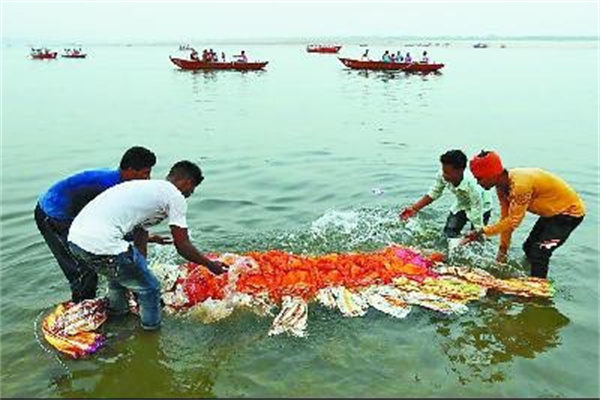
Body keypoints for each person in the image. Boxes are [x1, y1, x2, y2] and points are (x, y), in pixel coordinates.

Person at [67, 160, 229, 330]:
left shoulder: (147, 189)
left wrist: (139, 268)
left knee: (119, 278)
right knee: (150, 289)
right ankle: (151, 335)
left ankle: (118, 318)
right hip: (102, 244)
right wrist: (210, 265)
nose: (190, 193)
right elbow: (182, 245)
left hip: (76, 241)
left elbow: (140, 235)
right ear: (187, 182)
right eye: (192, 189)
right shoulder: (175, 196)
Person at [35, 146, 157, 303]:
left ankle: (105, 301)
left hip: (76, 215)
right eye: (145, 173)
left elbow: (111, 226)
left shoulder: (122, 184)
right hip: (53, 216)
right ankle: (81, 312)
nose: (148, 179)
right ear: (130, 170)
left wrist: (143, 237)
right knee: (82, 271)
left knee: (105, 259)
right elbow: (105, 226)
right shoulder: (108, 187)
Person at [464, 151, 585, 278]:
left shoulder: (520, 185)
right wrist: (502, 251)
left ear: (492, 175)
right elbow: (506, 218)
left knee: (540, 252)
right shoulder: (501, 187)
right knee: (528, 248)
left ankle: (538, 288)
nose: (478, 183)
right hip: (551, 214)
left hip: (568, 214)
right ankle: (530, 276)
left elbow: (514, 221)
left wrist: (482, 231)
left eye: (479, 178)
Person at [400, 150, 492, 239]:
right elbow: (434, 193)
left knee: (477, 237)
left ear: (460, 171)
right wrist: (414, 208)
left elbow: (476, 210)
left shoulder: (472, 185)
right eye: (443, 171)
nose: (444, 175)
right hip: (461, 204)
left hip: (482, 206)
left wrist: (476, 232)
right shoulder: (442, 175)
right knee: (448, 234)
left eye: (447, 172)